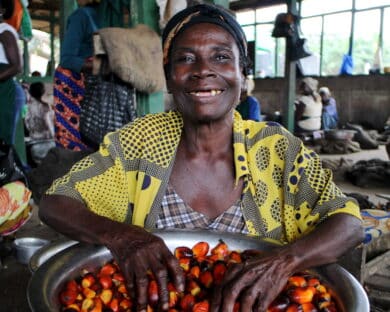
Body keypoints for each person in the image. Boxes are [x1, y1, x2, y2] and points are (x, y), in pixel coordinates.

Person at [39, 4, 363, 312]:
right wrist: (122, 237)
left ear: (242, 74)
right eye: (186, 59)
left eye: (221, 57)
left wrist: (286, 261)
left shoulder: (276, 149)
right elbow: (56, 203)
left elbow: (347, 223)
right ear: (169, 77)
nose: (203, 70)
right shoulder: (140, 142)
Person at [53, 0, 100, 151]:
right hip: (71, 83)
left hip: (90, 81)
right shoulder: (81, 16)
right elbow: (67, 59)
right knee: (72, 137)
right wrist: (103, 66)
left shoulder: (107, 18)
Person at [0, 0, 27, 166]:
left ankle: (14, 182)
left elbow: (17, 66)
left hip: (4, 91)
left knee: (2, 142)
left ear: (2, 9)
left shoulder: (5, 31)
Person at [24, 81, 55, 165]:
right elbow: (49, 125)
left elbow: (26, 124)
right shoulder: (45, 107)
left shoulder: (26, 108)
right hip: (46, 143)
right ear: (43, 91)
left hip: (33, 142)